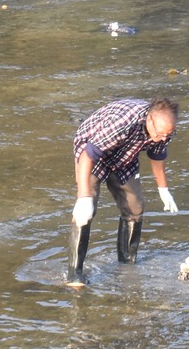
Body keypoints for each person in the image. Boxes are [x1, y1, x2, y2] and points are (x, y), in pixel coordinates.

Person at [69, 97, 180, 285]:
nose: (163, 138)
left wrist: (163, 189)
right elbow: (89, 155)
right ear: (149, 120)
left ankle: (127, 263)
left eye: (167, 135)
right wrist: (84, 195)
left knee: (135, 207)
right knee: (85, 213)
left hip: (125, 154)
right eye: (160, 134)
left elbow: (158, 156)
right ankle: (75, 274)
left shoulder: (163, 130)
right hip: (91, 150)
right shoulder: (122, 124)